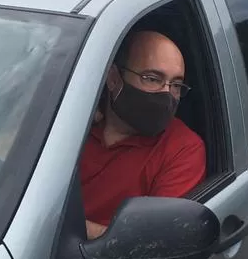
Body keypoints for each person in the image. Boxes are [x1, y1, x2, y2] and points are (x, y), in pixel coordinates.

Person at [79, 30, 206, 239]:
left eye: (175, 85)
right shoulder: (73, 122)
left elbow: (153, 241)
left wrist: (67, 231)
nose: (166, 94)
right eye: (152, 79)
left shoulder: (182, 149)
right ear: (113, 78)